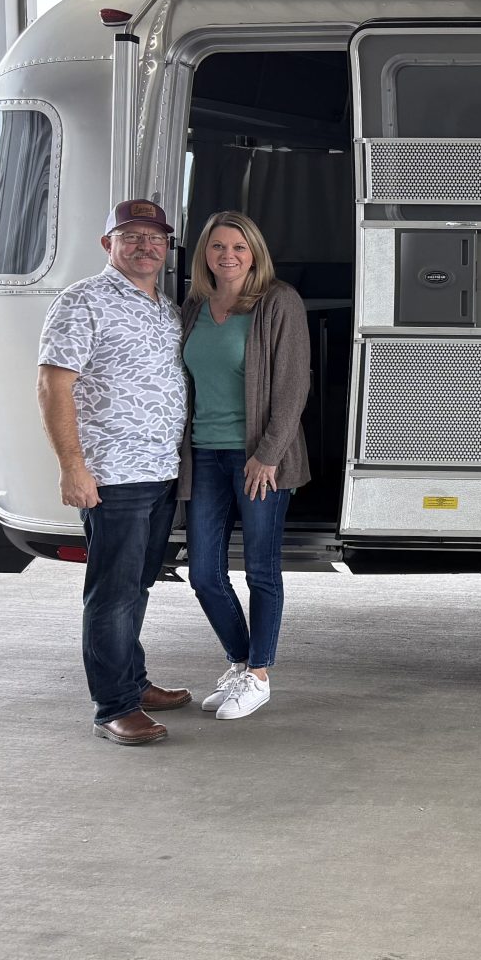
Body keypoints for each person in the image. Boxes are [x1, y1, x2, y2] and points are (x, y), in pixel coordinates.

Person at [36, 199, 191, 745]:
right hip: (112, 473)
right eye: (132, 236)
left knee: (137, 585)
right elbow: (53, 385)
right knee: (113, 592)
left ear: (166, 247)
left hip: (160, 470)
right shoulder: (82, 301)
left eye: (155, 237)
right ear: (109, 244)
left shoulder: (166, 308)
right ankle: (114, 707)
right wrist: (72, 468)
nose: (146, 246)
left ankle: (134, 681)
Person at [179, 210, 310, 722]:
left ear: (254, 253)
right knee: (203, 573)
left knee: (261, 569)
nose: (228, 255)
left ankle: (259, 675)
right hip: (205, 455)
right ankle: (240, 662)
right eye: (218, 246)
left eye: (238, 247)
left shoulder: (278, 302)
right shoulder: (194, 306)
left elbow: (293, 386)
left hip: (260, 460)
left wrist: (268, 454)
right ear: (205, 255)